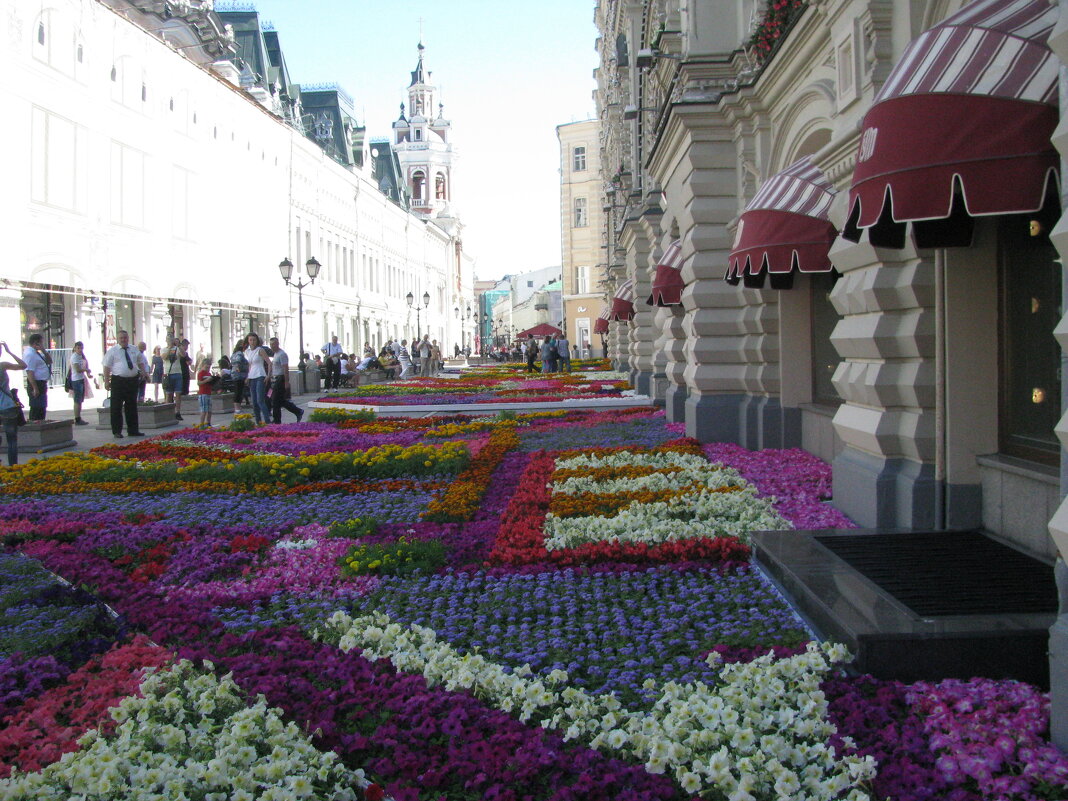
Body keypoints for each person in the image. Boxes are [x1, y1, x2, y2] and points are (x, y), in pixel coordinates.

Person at [102, 329, 148, 438]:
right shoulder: (112, 351)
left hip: (132, 380)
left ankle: (133, 430)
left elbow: (140, 361)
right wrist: (107, 381)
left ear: (128, 338)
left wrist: (144, 372)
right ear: (118, 339)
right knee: (116, 407)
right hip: (118, 381)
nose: (123, 340)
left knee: (131, 406)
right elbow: (106, 366)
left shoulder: (134, 349)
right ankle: (117, 431)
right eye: (121, 338)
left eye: (125, 338)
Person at [0, 342, 27, 466]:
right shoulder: (3, 366)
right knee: (11, 440)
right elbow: (23, 365)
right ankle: (13, 467)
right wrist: (9, 352)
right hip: (7, 407)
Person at [267, 337, 303, 424]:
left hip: (280, 378)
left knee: (276, 400)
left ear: (277, 344)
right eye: (271, 344)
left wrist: (286, 382)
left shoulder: (282, 354)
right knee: (279, 400)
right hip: (275, 379)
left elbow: (285, 368)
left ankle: (277, 421)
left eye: (274, 344)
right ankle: (297, 411)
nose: (272, 346)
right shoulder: (275, 354)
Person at [243, 332, 272, 425]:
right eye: (250, 340)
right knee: (254, 401)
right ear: (248, 341)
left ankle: (267, 420)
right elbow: (250, 365)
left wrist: (268, 375)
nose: (252, 342)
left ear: (257, 341)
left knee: (260, 400)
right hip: (252, 377)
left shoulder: (260, 350)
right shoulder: (247, 351)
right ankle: (258, 421)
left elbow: (269, 362)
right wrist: (248, 376)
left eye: (254, 340)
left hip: (260, 375)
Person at [22, 333, 51, 422]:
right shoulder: (30, 354)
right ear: (36, 343)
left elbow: (49, 361)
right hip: (36, 383)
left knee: (42, 407)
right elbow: (30, 372)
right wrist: (35, 388)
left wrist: (44, 350)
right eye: (41, 343)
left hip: (42, 383)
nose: (42, 344)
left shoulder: (36, 353)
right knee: (37, 408)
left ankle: (40, 422)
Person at [68, 340, 93, 425]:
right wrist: (86, 370)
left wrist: (88, 373)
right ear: (75, 348)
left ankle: (79, 417)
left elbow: (85, 365)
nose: (80, 350)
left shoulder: (81, 356)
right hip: (76, 380)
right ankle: (77, 418)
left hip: (81, 379)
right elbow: (77, 369)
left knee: (80, 400)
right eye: (78, 348)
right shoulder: (74, 357)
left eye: (81, 348)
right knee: (77, 400)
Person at [162, 336, 184, 421]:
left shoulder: (177, 348)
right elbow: (164, 357)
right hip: (168, 373)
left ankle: (177, 412)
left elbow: (183, 355)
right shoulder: (164, 349)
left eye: (171, 340)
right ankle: (168, 413)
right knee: (168, 394)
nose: (170, 341)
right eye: (168, 339)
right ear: (166, 340)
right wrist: (169, 348)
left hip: (177, 373)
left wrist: (178, 346)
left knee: (178, 394)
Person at [195, 357, 215, 428]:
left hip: (209, 392)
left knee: (209, 410)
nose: (208, 368)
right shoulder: (201, 373)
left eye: (209, 366)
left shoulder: (209, 373)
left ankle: (208, 423)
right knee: (204, 410)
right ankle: (202, 424)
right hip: (203, 393)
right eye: (206, 366)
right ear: (203, 365)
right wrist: (207, 380)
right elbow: (199, 383)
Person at [230, 342, 249, 407]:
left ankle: (237, 407)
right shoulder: (240, 354)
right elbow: (238, 362)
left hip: (235, 374)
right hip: (240, 375)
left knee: (238, 391)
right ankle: (237, 408)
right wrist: (241, 369)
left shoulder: (234, 354)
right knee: (239, 392)